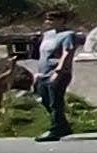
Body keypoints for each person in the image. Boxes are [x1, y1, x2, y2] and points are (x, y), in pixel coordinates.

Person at [31, 8, 84, 142]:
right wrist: (38, 73)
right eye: (47, 19)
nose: (48, 22)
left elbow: (67, 53)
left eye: (52, 19)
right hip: (43, 73)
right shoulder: (47, 35)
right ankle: (63, 125)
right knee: (44, 99)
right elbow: (43, 55)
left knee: (55, 101)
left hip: (58, 73)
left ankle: (56, 129)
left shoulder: (68, 35)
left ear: (61, 21)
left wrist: (58, 71)